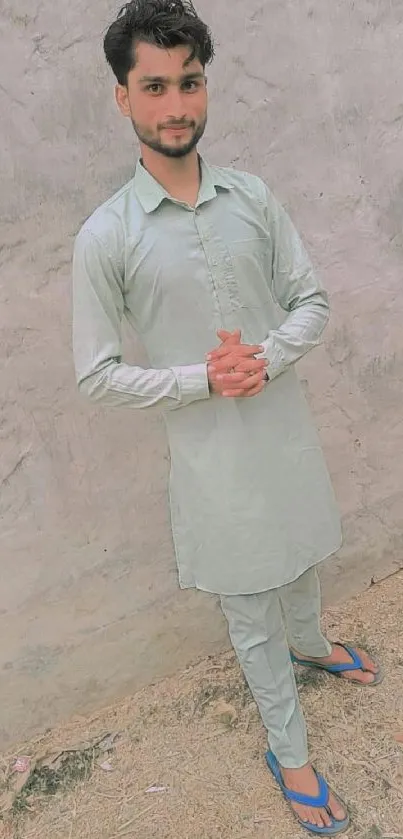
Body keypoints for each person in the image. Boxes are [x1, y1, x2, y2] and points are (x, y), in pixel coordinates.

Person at [72, 1, 381, 833]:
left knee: (306, 547)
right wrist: (200, 379)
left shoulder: (253, 197)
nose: (176, 105)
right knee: (248, 602)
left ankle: (311, 642)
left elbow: (310, 301)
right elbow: (95, 375)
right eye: (155, 86)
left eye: (190, 82)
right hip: (210, 458)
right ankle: (290, 753)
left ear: (206, 85)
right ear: (122, 98)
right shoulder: (107, 235)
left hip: (283, 429)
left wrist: (267, 360)